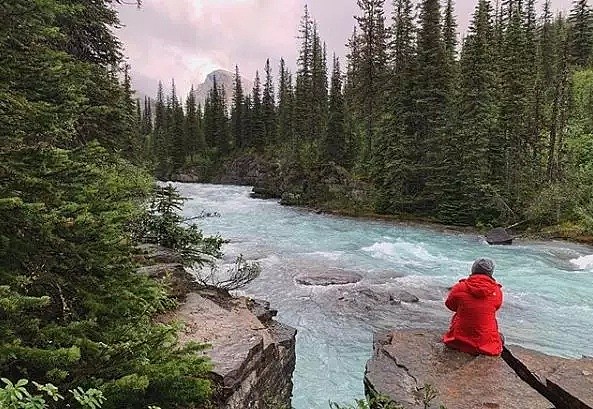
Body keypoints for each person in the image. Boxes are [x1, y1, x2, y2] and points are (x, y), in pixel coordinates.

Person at [442, 258, 504, 356]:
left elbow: (450, 305)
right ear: (491, 272)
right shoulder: (496, 291)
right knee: (499, 335)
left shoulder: (460, 287)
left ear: (473, 270)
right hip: (486, 346)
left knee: (460, 315)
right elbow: (495, 307)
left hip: (459, 342)